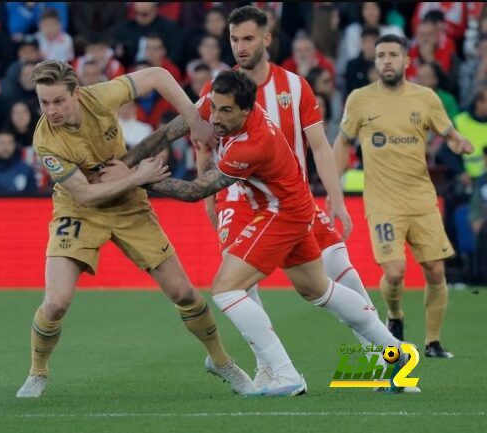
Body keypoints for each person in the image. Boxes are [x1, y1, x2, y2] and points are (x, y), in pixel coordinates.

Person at [125, 5, 378, 392]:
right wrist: (142, 168)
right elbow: (197, 136)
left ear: (266, 39)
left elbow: (320, 147)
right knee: (247, 283)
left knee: (336, 272)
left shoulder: (295, 87)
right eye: (234, 39)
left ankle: (381, 361)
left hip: (289, 198)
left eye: (247, 39)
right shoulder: (220, 88)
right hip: (236, 196)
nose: (240, 47)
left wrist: (336, 199)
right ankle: (270, 368)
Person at [15, 60, 253, 398]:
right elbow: (84, 193)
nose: (50, 110)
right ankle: (37, 373)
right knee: (55, 303)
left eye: (57, 101)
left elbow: (158, 75)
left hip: (129, 204)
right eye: (43, 102)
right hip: (79, 210)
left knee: (184, 293)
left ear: (77, 95)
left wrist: (196, 119)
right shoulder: (46, 141)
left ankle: (222, 362)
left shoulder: (100, 98)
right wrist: (136, 177)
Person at [333, 34, 474, 358]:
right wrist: (333, 188)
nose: (386, 60)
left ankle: (433, 342)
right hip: (383, 201)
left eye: (393, 55)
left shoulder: (426, 98)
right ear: (375, 61)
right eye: (381, 55)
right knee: (394, 271)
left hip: (421, 198)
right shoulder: (360, 99)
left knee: (436, 271)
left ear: (407, 61)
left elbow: (449, 134)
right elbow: (342, 143)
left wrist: (460, 142)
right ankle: (395, 315)